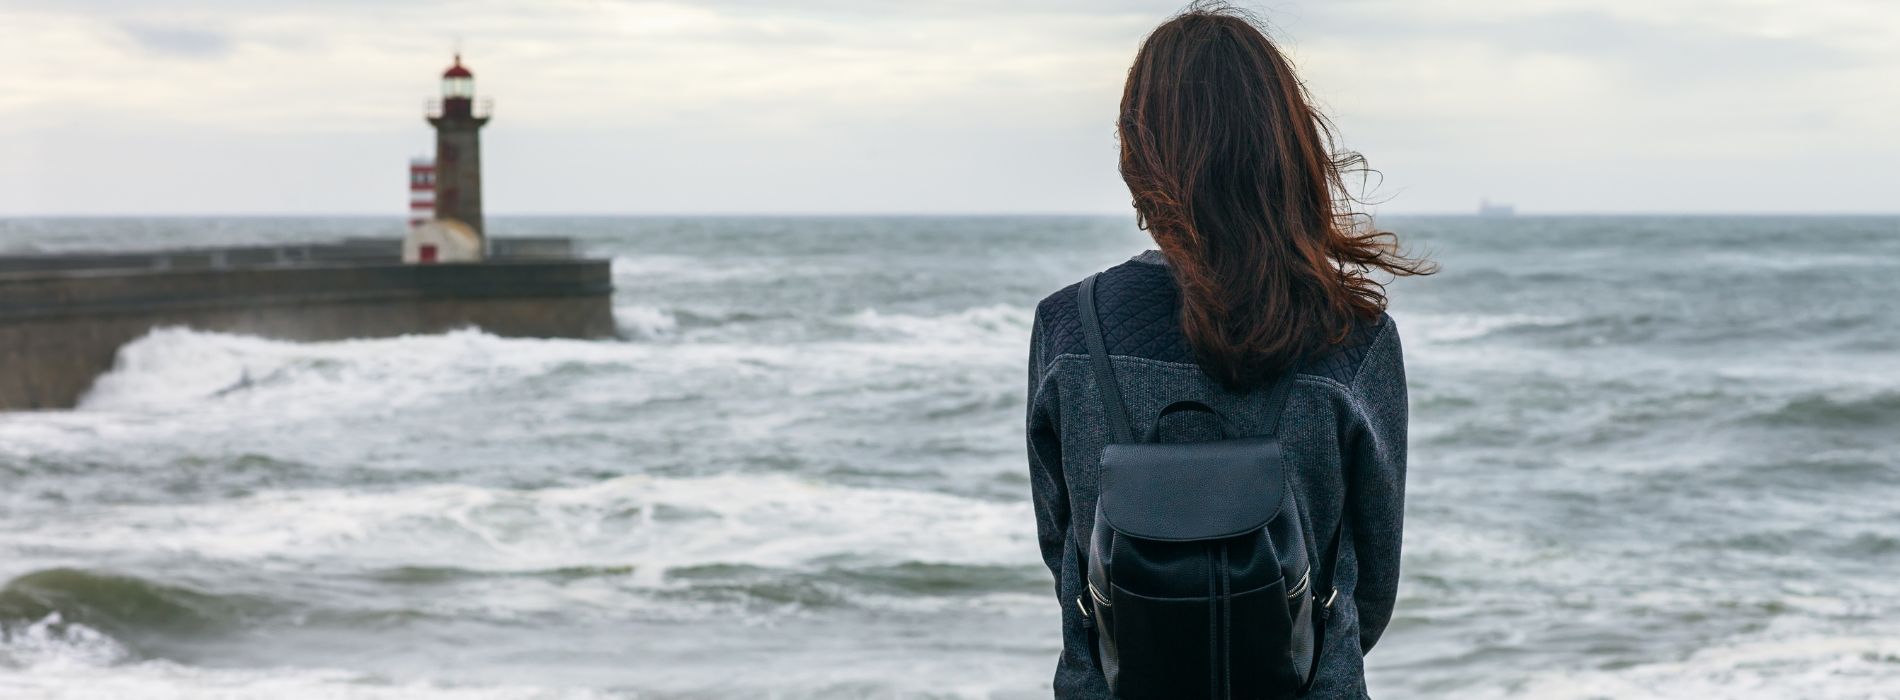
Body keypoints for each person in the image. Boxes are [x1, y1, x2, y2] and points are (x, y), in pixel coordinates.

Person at [1024, 5, 1432, 698]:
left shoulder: (1071, 328)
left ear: (1138, 152)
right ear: (1285, 146)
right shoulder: (1351, 336)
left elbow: (1064, 544)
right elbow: (1372, 591)